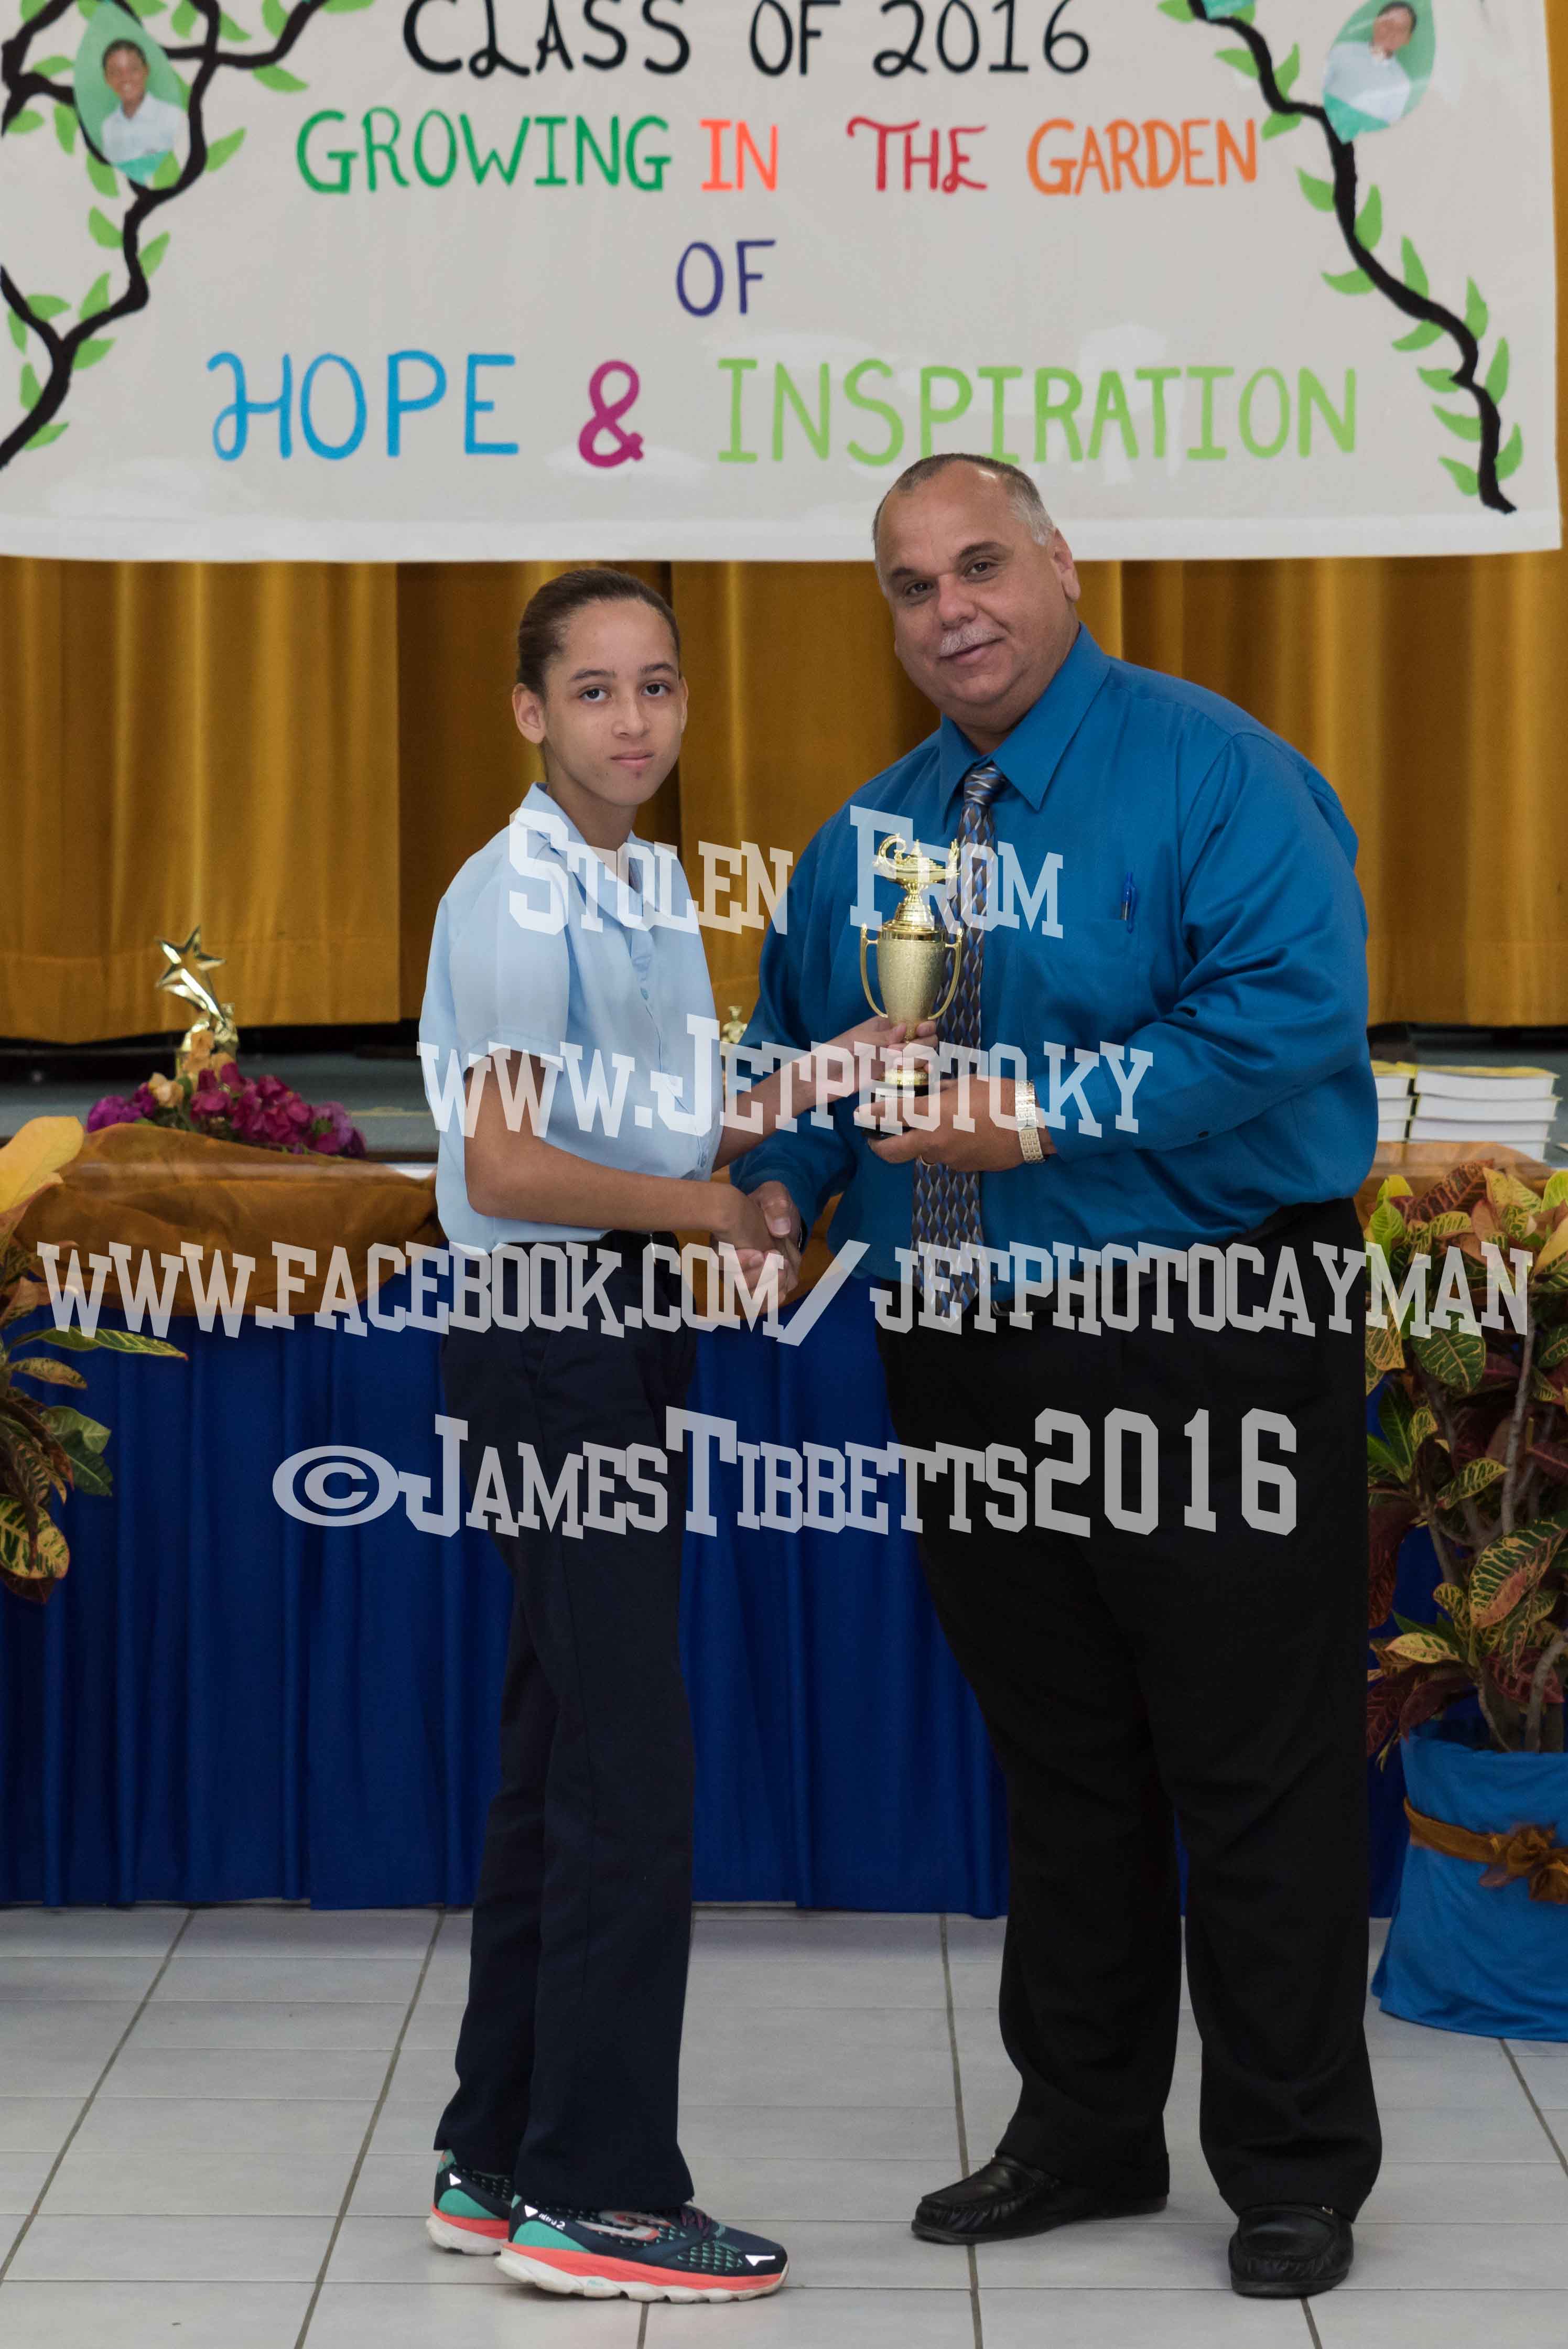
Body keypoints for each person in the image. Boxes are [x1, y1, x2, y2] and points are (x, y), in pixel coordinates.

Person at [730, 456, 1382, 2300]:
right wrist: (774, 1184)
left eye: (980, 565)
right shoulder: (875, 831)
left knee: (1248, 1758)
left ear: (1062, 565)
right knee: (1062, 1752)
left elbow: (1283, 1014)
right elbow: (809, 1048)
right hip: (959, 1338)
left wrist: (1035, 1112)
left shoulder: (1216, 771)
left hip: (1203, 1324)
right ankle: (1086, 2128)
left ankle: (1291, 2161)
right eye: (910, 584)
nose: (951, 609)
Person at [417, 566, 917, 2304]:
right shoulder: (514, 899)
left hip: (607, 1331)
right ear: (528, 712)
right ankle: (601, 2196)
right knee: (627, 1771)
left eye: (658, 686)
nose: (634, 720)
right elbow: (506, 1167)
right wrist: (710, 1215)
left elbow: (659, 1121)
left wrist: (826, 1072)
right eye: (595, 690)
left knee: (562, 1753)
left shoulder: (628, 883)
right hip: (548, 1338)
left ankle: (495, 2155)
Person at [1323, 4, 1422, 138]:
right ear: (1376, 23)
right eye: (1388, 24)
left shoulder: (1402, 84)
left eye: (1400, 30)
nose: (1392, 32)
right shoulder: (1342, 51)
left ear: (1408, 39)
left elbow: (1386, 130)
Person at [97, 39, 184, 182]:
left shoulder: (173, 117)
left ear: (146, 70)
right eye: (116, 72)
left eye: (133, 69)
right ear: (107, 78)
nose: (125, 78)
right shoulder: (108, 127)